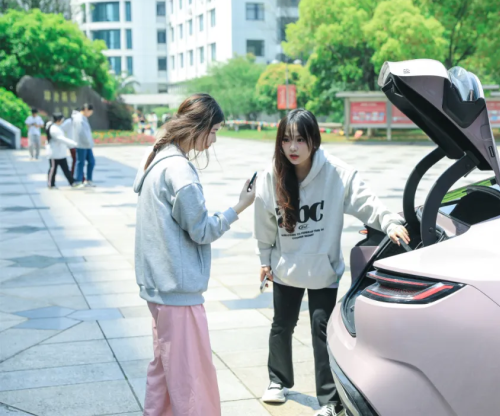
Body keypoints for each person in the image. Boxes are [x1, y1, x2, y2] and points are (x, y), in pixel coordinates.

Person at [254, 109, 410, 416]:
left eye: (300, 139)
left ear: (314, 140)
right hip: (286, 266)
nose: (293, 147)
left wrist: (390, 222)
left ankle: (330, 401)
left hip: (323, 268)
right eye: (286, 140)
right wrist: (264, 259)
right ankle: (277, 381)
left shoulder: (337, 173)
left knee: (321, 328)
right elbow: (264, 222)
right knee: (282, 324)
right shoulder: (271, 176)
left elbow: (367, 202)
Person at [133, 93, 256, 416]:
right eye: (213, 131)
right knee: (191, 378)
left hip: (159, 287)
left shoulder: (157, 157)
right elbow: (202, 230)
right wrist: (239, 206)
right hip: (178, 290)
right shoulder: (180, 171)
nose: (214, 140)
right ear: (198, 127)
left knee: (164, 369)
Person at [45, 113, 77, 189]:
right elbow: (61, 138)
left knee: (66, 169)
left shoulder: (57, 127)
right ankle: (51, 184)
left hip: (61, 154)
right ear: (58, 120)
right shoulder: (53, 128)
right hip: (54, 154)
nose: (63, 121)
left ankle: (72, 182)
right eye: (62, 120)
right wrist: (73, 143)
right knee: (53, 169)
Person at [72, 104, 95, 188]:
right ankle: (78, 181)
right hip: (81, 144)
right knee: (80, 162)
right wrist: (88, 142)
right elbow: (81, 133)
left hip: (87, 145)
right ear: (85, 109)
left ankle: (88, 180)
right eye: (90, 112)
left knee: (91, 162)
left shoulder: (83, 118)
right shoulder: (79, 118)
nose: (90, 114)